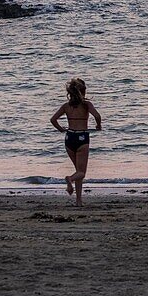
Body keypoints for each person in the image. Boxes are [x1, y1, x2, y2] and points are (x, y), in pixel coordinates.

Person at [50, 77, 102, 206]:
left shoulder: (66, 106)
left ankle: (78, 201)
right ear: (83, 92)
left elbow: (53, 119)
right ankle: (69, 179)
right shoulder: (86, 105)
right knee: (81, 172)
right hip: (82, 138)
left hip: (69, 138)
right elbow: (97, 116)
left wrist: (61, 129)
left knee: (78, 171)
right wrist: (98, 126)